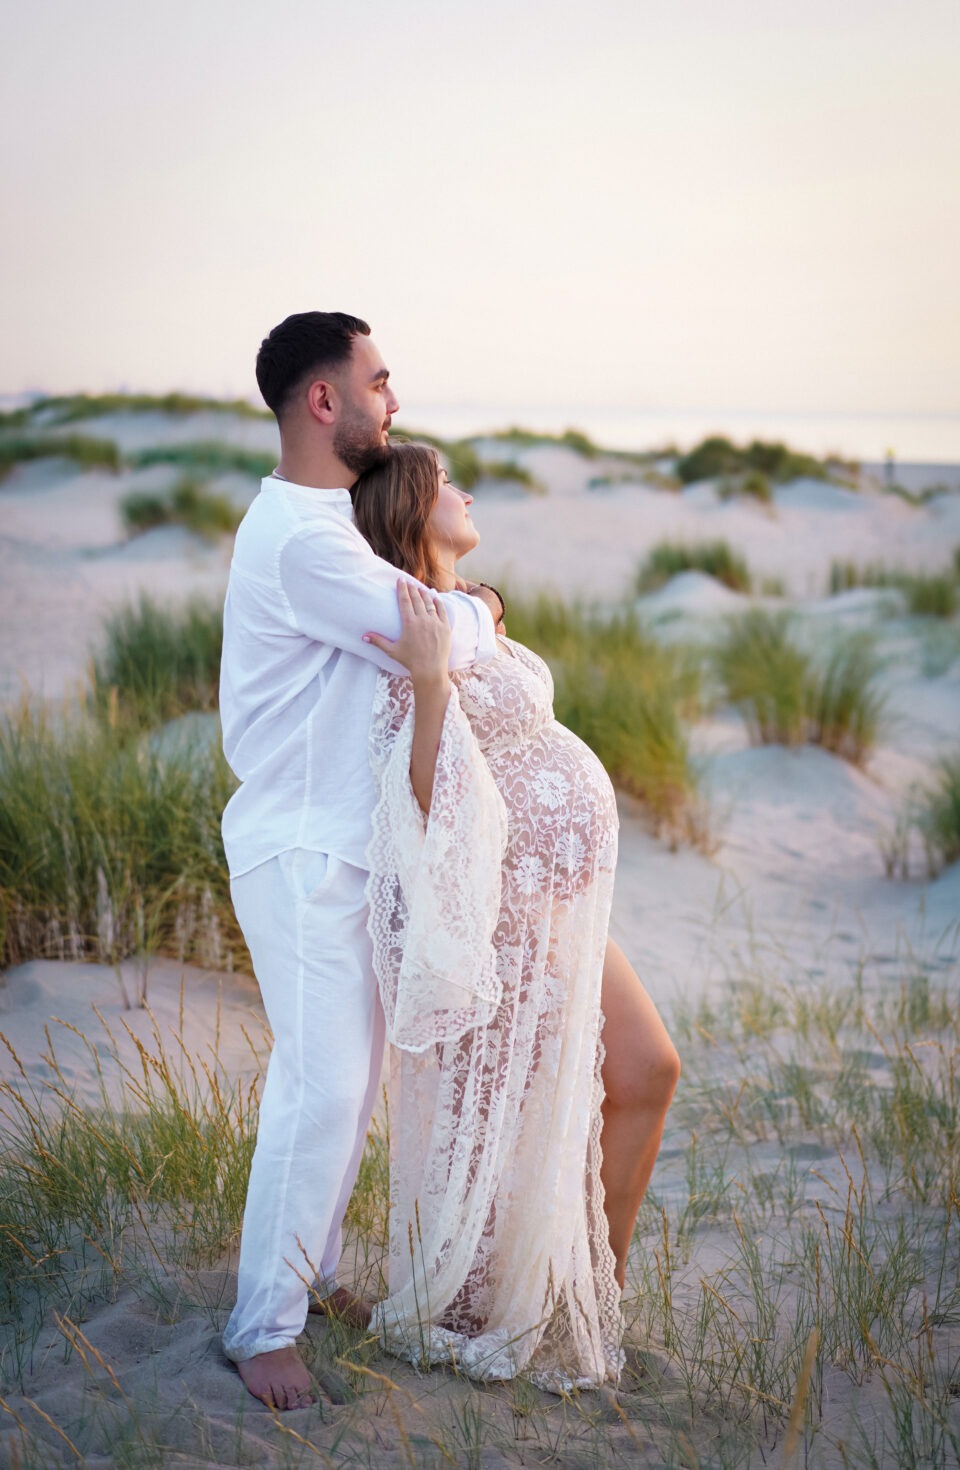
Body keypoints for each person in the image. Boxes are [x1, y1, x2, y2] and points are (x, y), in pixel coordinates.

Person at [219, 313, 505, 1410]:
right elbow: (426, 632)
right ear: (323, 402)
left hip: (337, 846)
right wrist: (473, 606)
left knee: (346, 1080)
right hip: (301, 847)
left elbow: (426, 629)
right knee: (322, 1085)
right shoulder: (302, 539)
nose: (394, 400)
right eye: (378, 382)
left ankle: (309, 1273)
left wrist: (451, 614)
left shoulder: (321, 524)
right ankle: (263, 1327)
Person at [353, 443, 680, 1388]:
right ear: (415, 511)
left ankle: (586, 1299)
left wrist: (479, 614)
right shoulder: (404, 631)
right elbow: (418, 795)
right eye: (449, 483)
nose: (466, 492)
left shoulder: (467, 612)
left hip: (562, 908)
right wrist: (426, 684)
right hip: (500, 922)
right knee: (502, 1133)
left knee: (648, 1073)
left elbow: (489, 637)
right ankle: (527, 1308)